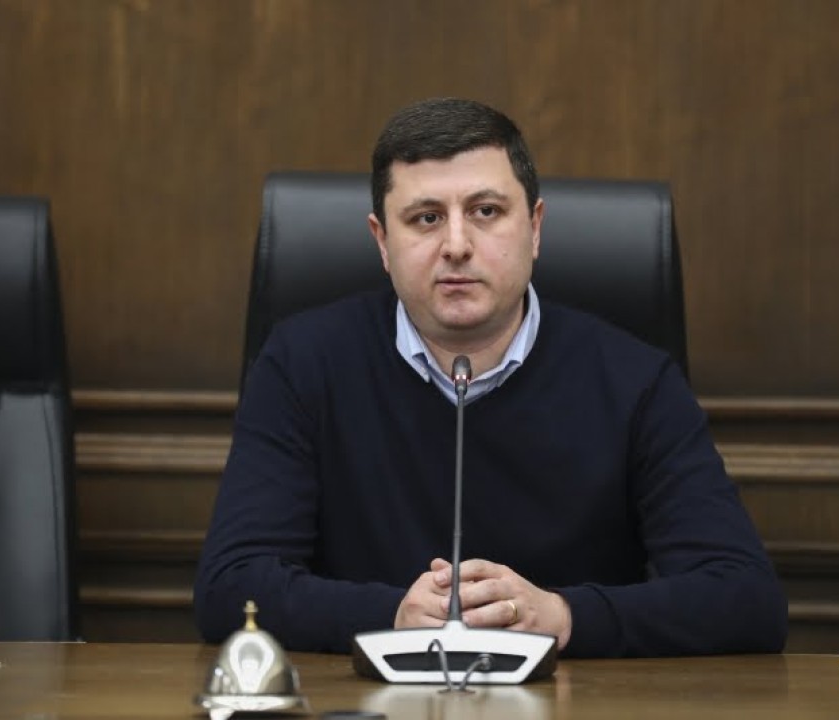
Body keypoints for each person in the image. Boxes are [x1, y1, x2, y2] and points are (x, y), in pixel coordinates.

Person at [194, 97, 787, 657]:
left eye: (486, 212)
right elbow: (230, 587)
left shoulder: (636, 380)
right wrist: (390, 615)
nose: (456, 245)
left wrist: (564, 617)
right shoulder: (301, 364)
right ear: (382, 242)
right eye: (426, 218)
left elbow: (746, 598)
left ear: (535, 227)